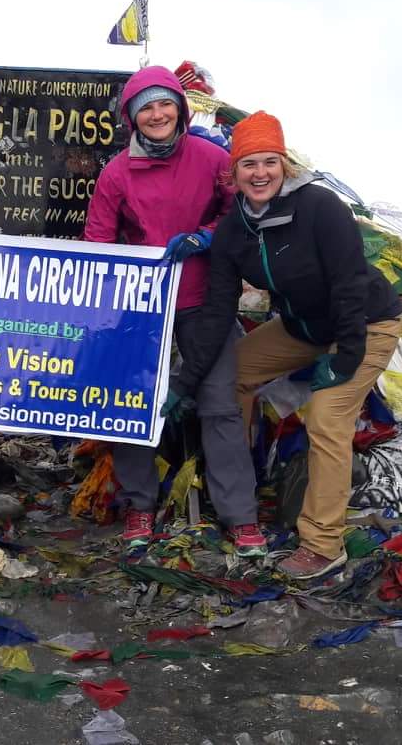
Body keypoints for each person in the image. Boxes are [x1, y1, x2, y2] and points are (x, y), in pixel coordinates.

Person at [173, 112, 402, 580]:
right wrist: (188, 379)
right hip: (302, 328)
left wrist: (346, 357)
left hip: (366, 322)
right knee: (229, 376)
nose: (260, 173)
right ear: (232, 173)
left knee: (327, 414)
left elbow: (349, 284)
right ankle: (242, 487)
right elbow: (218, 311)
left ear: (284, 165)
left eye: (269, 162)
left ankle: (322, 543)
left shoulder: (321, 207)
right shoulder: (235, 232)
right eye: (248, 165)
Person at [82, 66, 264, 554]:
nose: (157, 114)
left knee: (221, 408)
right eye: (146, 106)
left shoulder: (210, 157)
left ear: (180, 109)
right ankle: (140, 505)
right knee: (131, 407)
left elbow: (240, 211)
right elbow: (97, 239)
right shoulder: (117, 172)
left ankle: (240, 517)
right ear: (132, 117)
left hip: (206, 298)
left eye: (165, 104)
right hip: (141, 307)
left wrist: (206, 236)